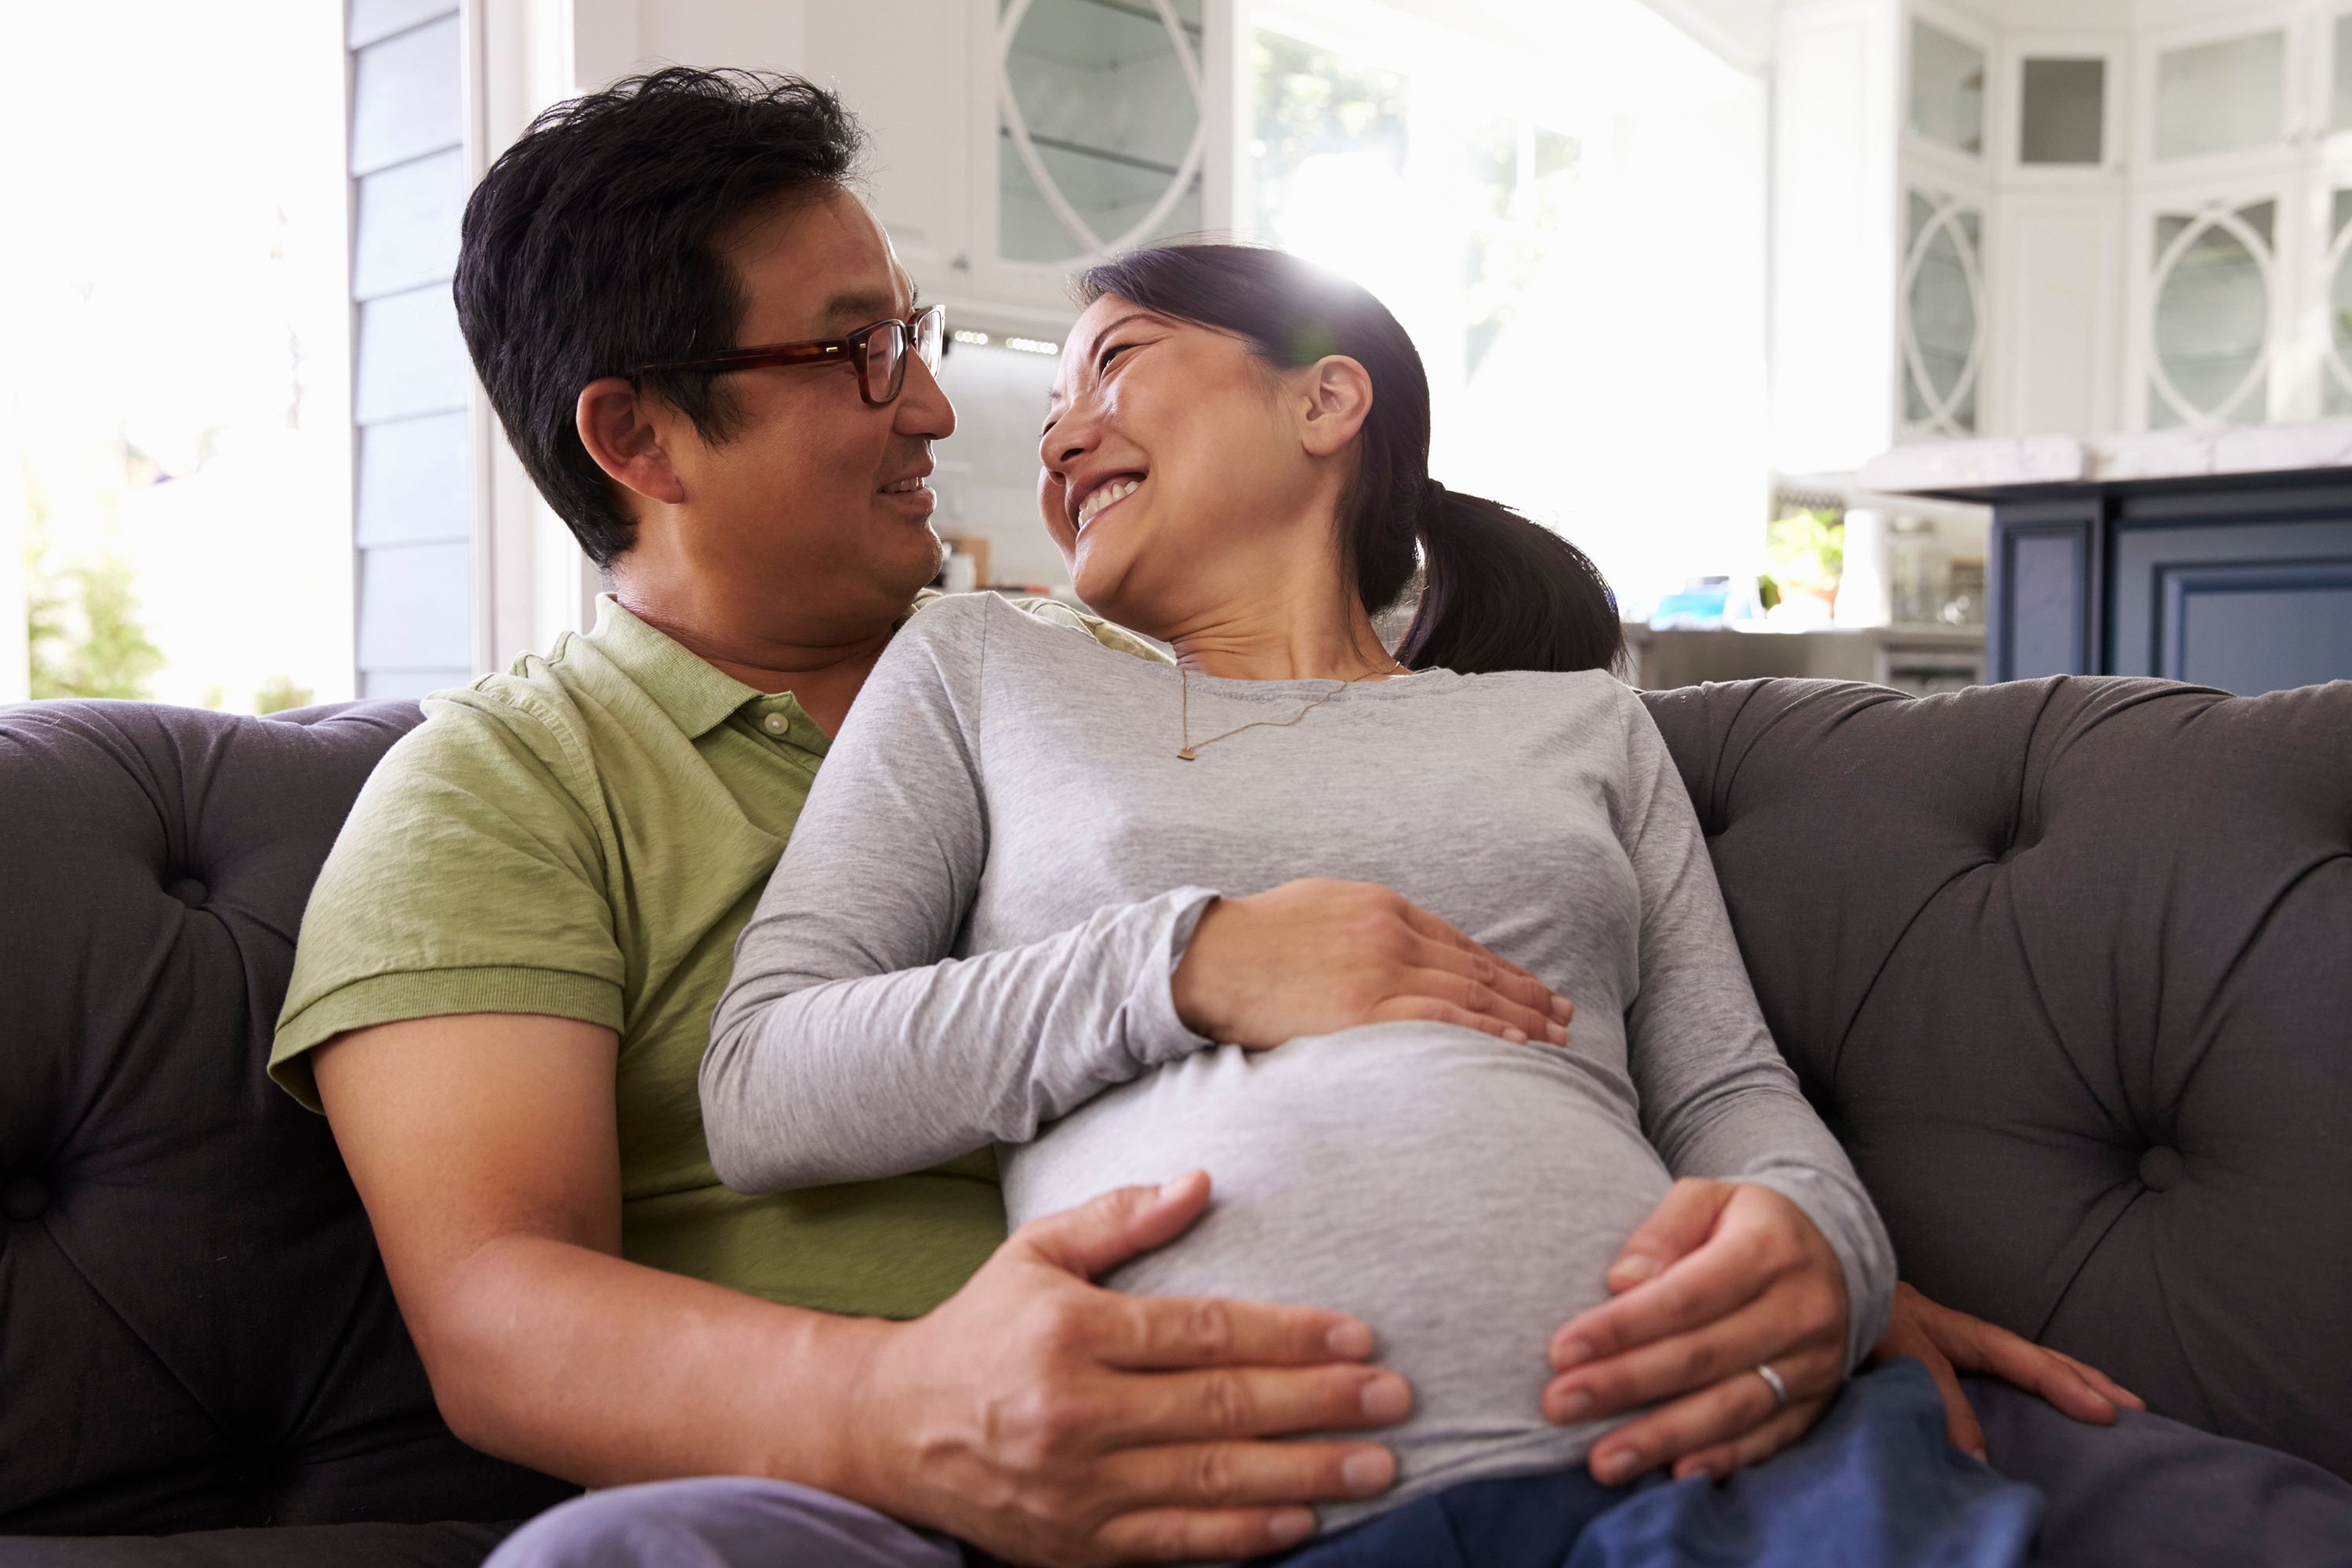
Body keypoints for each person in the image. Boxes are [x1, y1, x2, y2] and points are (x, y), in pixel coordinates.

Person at [270, 67, 2281, 1568]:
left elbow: (1680, 1073)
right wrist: (901, 1410)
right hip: (955, 1481)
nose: (942, 408)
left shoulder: (1360, 701)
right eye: (859, 351)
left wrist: (1818, 1254)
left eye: (925, 339)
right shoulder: (518, 783)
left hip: (1583, 1414)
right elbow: (511, 1307)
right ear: (640, 434)